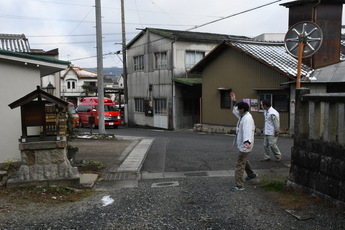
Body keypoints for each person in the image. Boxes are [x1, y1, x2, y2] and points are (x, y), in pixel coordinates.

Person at [229, 92, 257, 191]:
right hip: (245, 144)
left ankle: (239, 185)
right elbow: (236, 110)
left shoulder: (247, 119)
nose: (238, 110)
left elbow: (248, 130)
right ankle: (251, 174)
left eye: (239, 109)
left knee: (239, 164)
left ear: (243, 109)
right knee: (244, 159)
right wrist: (234, 100)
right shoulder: (243, 116)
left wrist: (247, 142)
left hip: (246, 144)